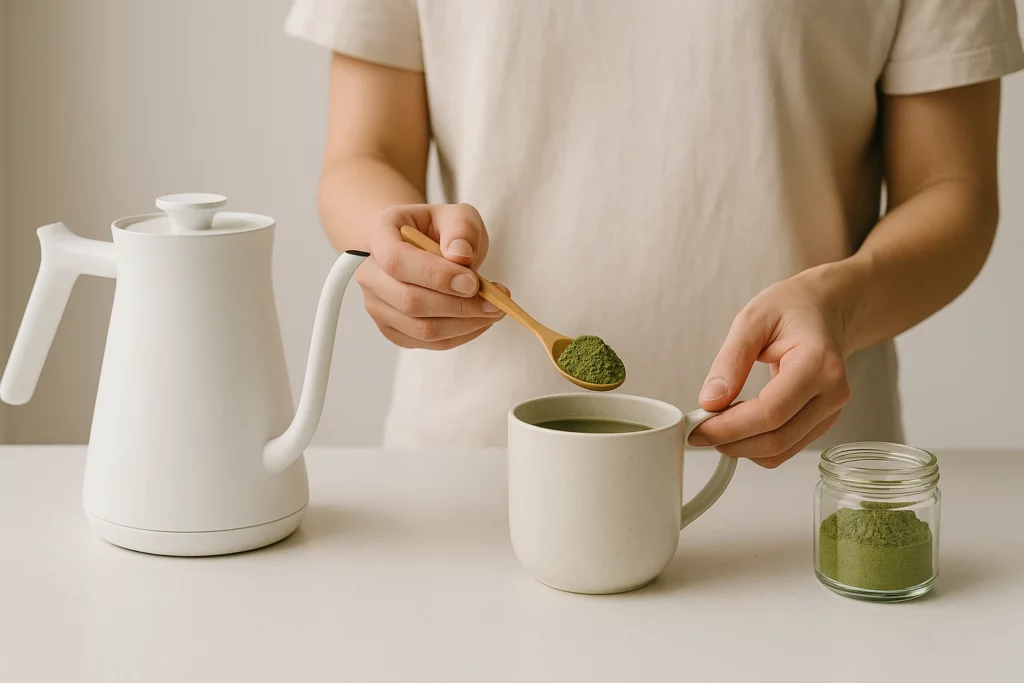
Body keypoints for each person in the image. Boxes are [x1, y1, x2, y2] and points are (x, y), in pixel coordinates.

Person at [286, 1, 1023, 466]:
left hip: (794, 474)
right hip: (477, 477)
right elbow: (363, 157)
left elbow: (951, 190)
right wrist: (392, 255)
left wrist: (845, 301)